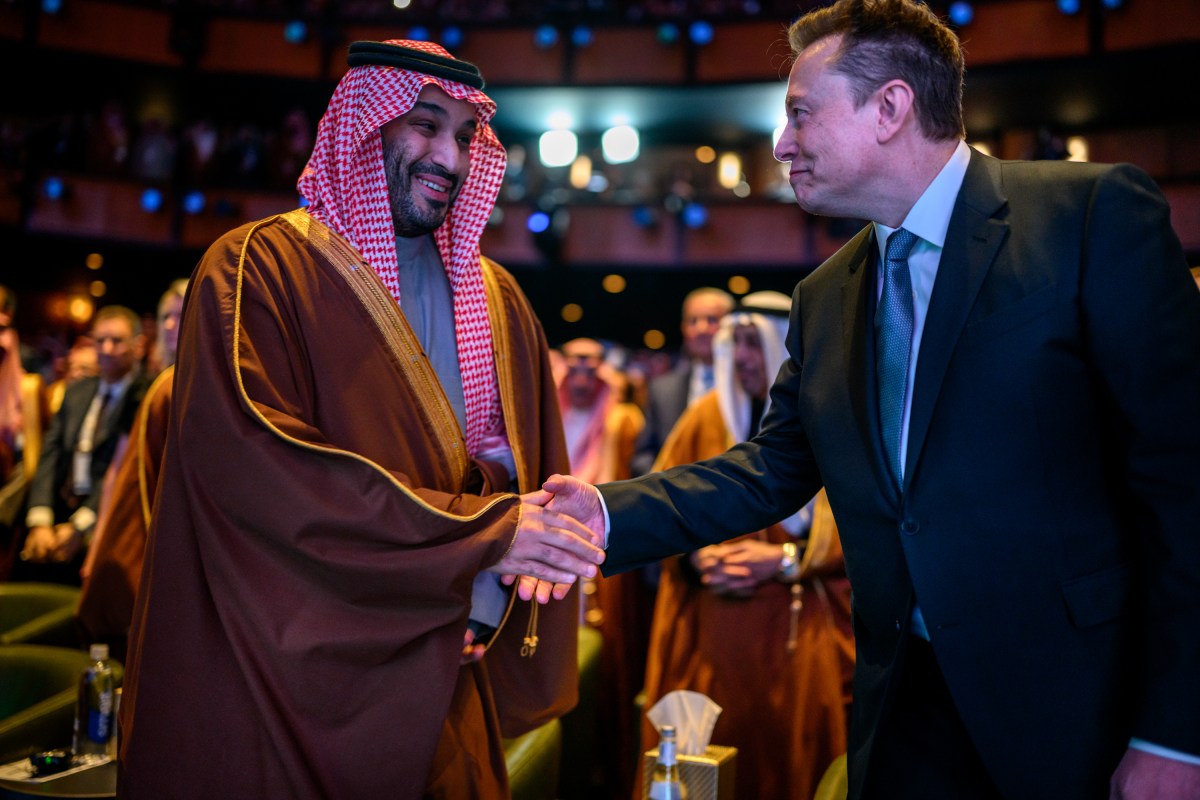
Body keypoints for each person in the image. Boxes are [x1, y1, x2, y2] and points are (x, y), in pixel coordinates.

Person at [535, 2, 1200, 798]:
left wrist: (1177, 733)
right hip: (903, 705)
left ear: (889, 108)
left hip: (1081, 706)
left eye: (799, 114)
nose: (781, 143)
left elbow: (1183, 481)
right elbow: (769, 471)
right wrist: (601, 515)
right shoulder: (825, 296)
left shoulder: (1088, 217)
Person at [118, 40, 603, 799]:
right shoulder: (256, 271)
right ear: (362, 124)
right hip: (285, 675)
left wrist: (481, 606)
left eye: (466, 135)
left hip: (446, 670)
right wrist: (481, 539)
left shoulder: (501, 300)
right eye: (423, 124)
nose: (450, 157)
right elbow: (270, 478)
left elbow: (522, 479)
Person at [638, 291, 854, 800]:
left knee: (792, 758)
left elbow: (860, 524)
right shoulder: (704, 419)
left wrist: (783, 561)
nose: (742, 359)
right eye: (735, 345)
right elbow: (668, 506)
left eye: (754, 344)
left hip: (800, 635)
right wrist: (695, 558)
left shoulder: (830, 418)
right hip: (714, 637)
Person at [77, 279, 189, 662]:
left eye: (181, 314)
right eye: (166, 317)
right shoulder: (152, 386)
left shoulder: (198, 385)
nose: (173, 325)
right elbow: (122, 472)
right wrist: (98, 544)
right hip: (143, 527)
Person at [555, 337, 648, 798]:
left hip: (595, 561)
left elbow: (619, 487)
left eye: (590, 363)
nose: (580, 372)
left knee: (600, 664)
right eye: (572, 362)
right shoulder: (551, 411)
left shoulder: (620, 420)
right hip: (548, 555)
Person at [19, 305, 148, 584]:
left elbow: (121, 471)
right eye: (100, 340)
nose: (107, 349)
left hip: (104, 515)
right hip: (59, 507)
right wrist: (40, 517)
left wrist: (80, 526)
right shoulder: (77, 390)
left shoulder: (144, 397)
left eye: (117, 341)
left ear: (138, 347)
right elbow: (50, 454)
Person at [630, 286, 733, 475]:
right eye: (693, 321)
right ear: (683, 328)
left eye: (712, 320)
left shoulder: (749, 384)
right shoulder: (662, 389)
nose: (701, 329)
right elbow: (642, 457)